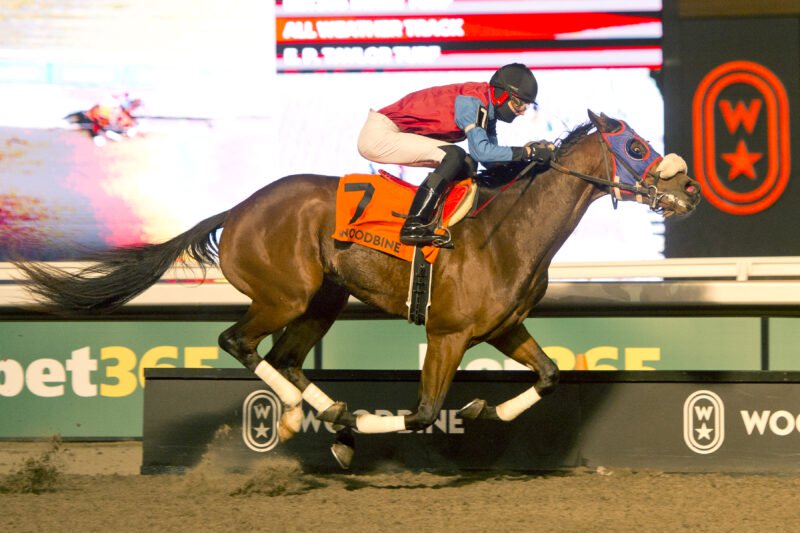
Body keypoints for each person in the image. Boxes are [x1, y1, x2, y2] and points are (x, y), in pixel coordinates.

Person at [357, 63, 555, 247]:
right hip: (379, 135)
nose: (521, 112)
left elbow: (491, 162)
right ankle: (413, 224)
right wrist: (528, 151)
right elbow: (483, 152)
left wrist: (529, 160)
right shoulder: (472, 102)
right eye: (519, 104)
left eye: (526, 107)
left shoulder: (487, 108)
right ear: (501, 95)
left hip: (391, 132)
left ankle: (447, 223)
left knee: (467, 163)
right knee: (455, 155)